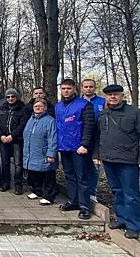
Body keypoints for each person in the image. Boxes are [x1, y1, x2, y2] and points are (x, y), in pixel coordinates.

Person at [94, 84, 140, 239]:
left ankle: (133, 224)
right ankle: (121, 219)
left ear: (122, 96)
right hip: (109, 159)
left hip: (128, 161)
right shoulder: (103, 114)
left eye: (116, 94)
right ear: (105, 97)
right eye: (109, 95)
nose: (113, 97)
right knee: (117, 191)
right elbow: (98, 136)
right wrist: (97, 155)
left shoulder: (134, 112)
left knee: (131, 193)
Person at [56, 79, 95, 220]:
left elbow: (89, 126)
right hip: (64, 147)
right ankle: (73, 200)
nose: (66, 91)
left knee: (82, 177)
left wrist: (84, 144)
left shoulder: (84, 105)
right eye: (63, 88)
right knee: (69, 176)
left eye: (69, 88)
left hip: (79, 148)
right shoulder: (58, 107)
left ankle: (84, 206)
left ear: (74, 89)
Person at [23, 99, 58, 205]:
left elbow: (53, 138)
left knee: (48, 174)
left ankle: (48, 196)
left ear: (45, 108)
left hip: (44, 152)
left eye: (40, 106)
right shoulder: (31, 119)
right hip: (31, 152)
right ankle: (37, 191)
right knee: (34, 172)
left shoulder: (50, 120)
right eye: (36, 106)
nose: (38, 108)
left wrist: (51, 154)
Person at [0, 88, 30, 195]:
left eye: (13, 96)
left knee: (18, 163)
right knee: (5, 162)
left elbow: (22, 124)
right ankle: (5, 183)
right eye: (8, 97)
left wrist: (12, 136)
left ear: (16, 97)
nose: (10, 98)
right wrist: (1, 135)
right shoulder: (2, 108)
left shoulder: (22, 108)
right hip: (3, 140)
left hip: (17, 140)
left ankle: (18, 184)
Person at [81, 79, 105, 202]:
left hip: (97, 138)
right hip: (82, 138)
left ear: (94, 88)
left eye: (91, 86)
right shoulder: (78, 102)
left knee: (95, 167)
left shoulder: (102, 102)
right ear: (82, 88)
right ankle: (81, 192)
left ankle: (92, 193)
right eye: (86, 86)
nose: (88, 89)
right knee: (81, 167)